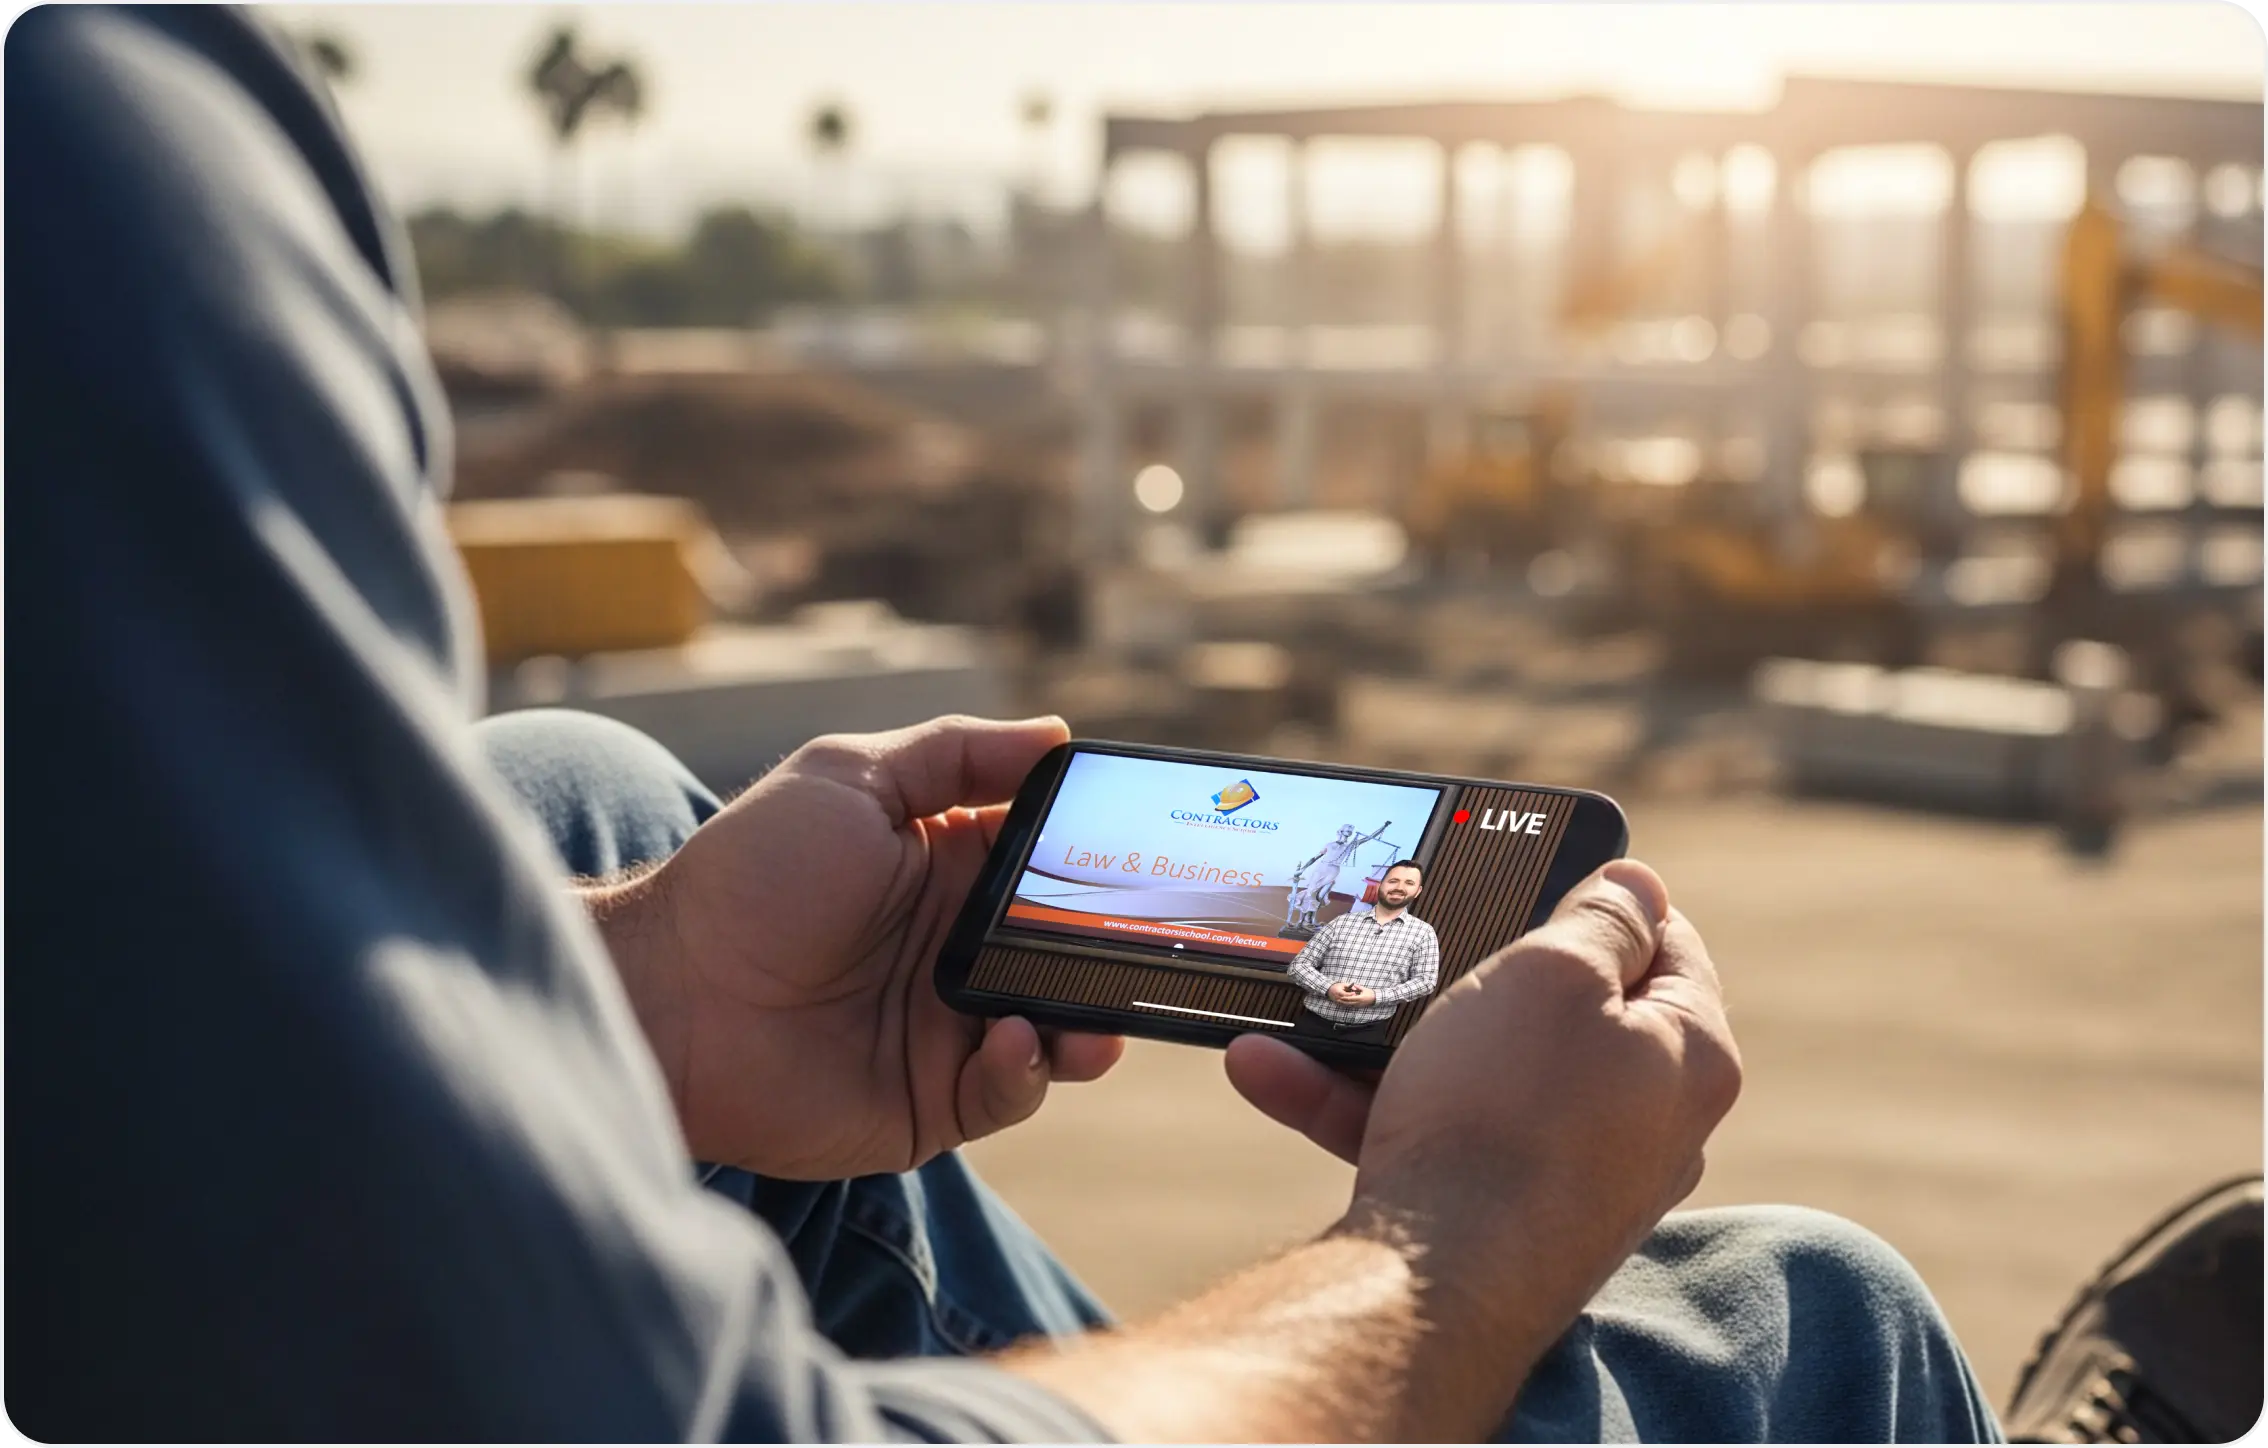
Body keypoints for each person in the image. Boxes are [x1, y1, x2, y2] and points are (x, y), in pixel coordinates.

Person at [9, 7, 2014, 1442]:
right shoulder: (82, 141)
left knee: (579, 797)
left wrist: (639, 997)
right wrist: (1461, 1236)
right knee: (1815, 1317)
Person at [1285, 860, 1440, 1047]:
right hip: (1312, 1027)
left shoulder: (1423, 933)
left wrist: (1376, 997)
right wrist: (1329, 988)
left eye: (1409, 883)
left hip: (1366, 1035)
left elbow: (1425, 981)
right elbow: (1299, 966)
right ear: (1381, 884)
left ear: (1418, 891)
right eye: (1393, 881)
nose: (1399, 887)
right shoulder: (1342, 922)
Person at [1282, 819, 1390, 934]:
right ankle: (1303, 921)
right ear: (1341, 831)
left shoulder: (1350, 846)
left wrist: (1383, 827)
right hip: (1320, 869)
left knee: (1320, 896)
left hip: (1333, 870)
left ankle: (1308, 921)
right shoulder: (1329, 845)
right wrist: (1302, 869)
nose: (1349, 832)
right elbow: (1315, 857)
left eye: (1351, 831)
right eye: (1347, 830)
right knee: (1310, 893)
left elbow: (1368, 838)